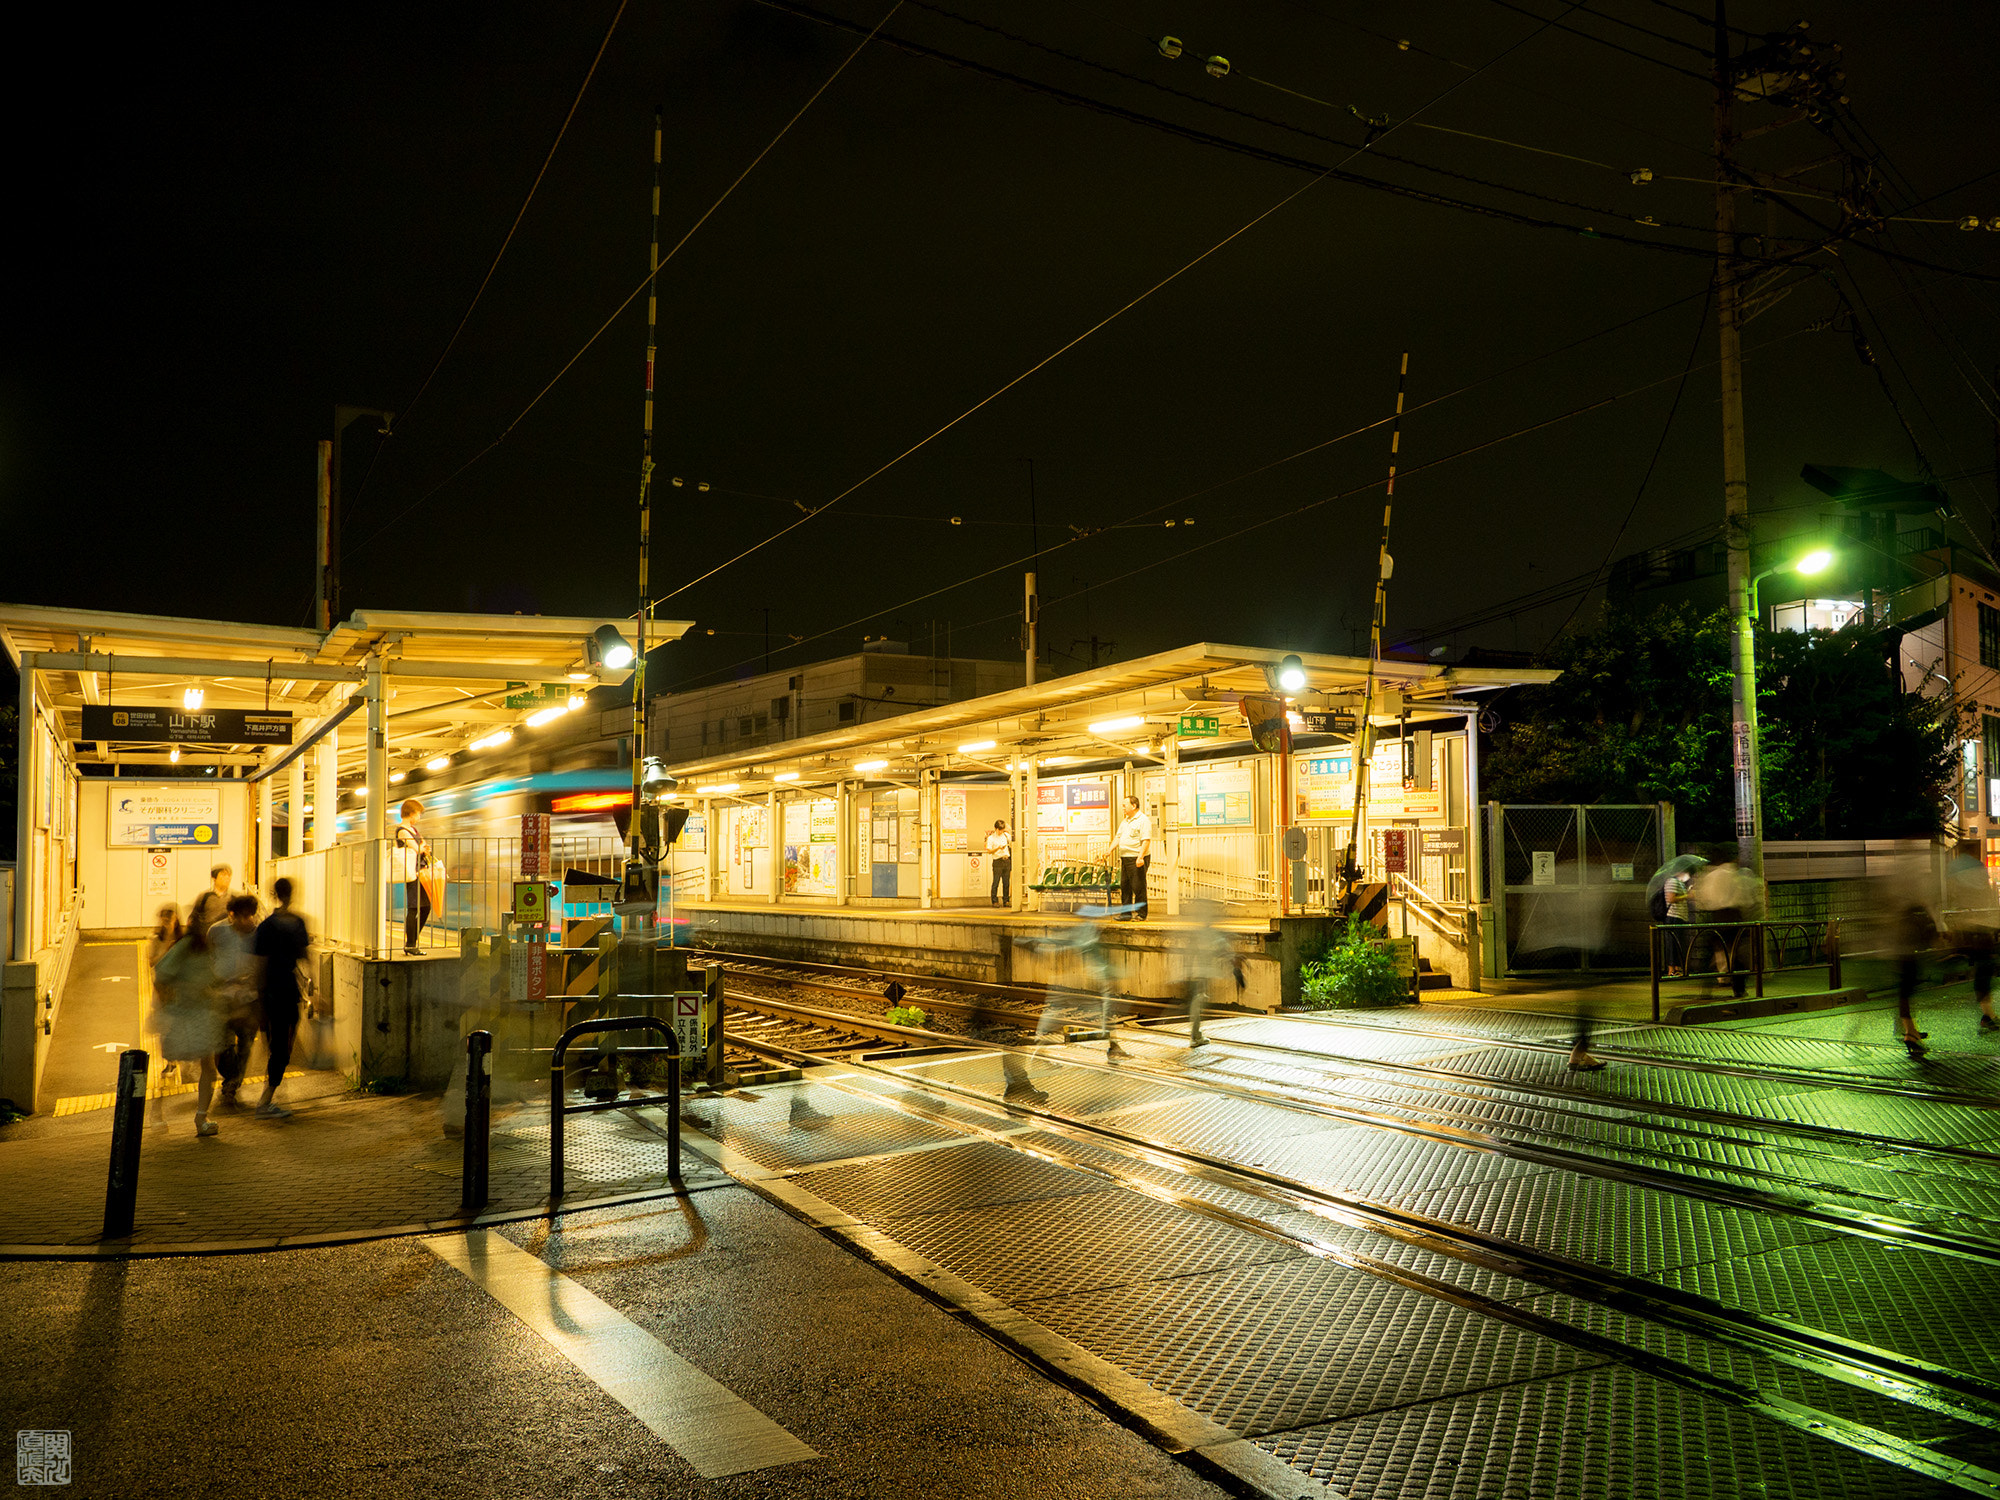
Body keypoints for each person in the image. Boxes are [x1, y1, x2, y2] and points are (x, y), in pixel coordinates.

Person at [150, 905, 228, 1137]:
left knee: (206, 1067)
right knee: (173, 1066)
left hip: (199, 1015)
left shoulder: (204, 949)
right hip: (185, 1015)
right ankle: (160, 1113)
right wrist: (166, 1005)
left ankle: (200, 1117)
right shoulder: (186, 947)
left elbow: (213, 980)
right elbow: (161, 973)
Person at [252, 877, 312, 1118]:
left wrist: (258, 998)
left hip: (270, 992)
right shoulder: (298, 923)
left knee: (277, 1048)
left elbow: (259, 965)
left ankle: (268, 1096)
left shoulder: (266, 926)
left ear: (273, 894)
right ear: (292, 894)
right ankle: (265, 1101)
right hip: (288, 990)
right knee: (282, 1048)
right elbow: (305, 960)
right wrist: (313, 993)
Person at [209, 895, 263, 1109]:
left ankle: (231, 1085)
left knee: (246, 1043)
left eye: (252, 915)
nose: (249, 920)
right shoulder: (216, 931)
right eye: (245, 916)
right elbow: (208, 959)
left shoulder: (258, 933)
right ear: (232, 915)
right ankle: (230, 1076)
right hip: (221, 996)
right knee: (222, 1044)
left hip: (249, 997)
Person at [1947, 848, 2000, 1035]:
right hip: (1982, 927)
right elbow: (1989, 896)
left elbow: (1953, 898)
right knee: (1985, 967)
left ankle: (1987, 1011)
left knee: (1982, 967)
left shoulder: (1954, 870)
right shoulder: (1979, 869)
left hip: (1968, 927)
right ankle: (1987, 1013)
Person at [1690, 858, 1759, 998]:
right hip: (1734, 916)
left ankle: (1706, 989)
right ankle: (1739, 989)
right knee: (1738, 954)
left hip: (1717, 917)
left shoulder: (1711, 876)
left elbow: (1702, 900)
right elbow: (1747, 899)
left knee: (1710, 952)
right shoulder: (1736, 876)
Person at [395, 798, 432, 956]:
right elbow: (417, 849)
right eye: (417, 814)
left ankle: (412, 941)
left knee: (425, 907)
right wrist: (422, 847)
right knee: (414, 908)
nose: (418, 817)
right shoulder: (403, 830)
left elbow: (422, 847)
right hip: (413, 873)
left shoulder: (413, 830)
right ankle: (410, 944)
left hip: (421, 872)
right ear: (410, 813)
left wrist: (424, 848)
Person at [1112, 795, 1153, 921]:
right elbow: (1118, 837)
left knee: (1138, 886)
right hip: (1125, 858)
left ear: (1133, 806)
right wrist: (1109, 851)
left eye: (1125, 805)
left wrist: (1140, 857)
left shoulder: (1143, 820)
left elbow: (1146, 840)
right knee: (1125, 886)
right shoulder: (1125, 821)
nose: (1122, 808)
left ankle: (1141, 914)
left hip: (1137, 858)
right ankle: (1126, 914)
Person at [985, 819, 1013, 907]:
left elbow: (1013, 837)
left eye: (1002, 829)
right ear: (996, 829)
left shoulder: (1006, 836)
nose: (1001, 831)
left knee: (1006, 882)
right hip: (997, 861)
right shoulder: (991, 838)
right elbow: (989, 851)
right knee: (996, 882)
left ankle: (1006, 900)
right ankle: (994, 901)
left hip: (1006, 860)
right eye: (999, 830)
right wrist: (998, 848)